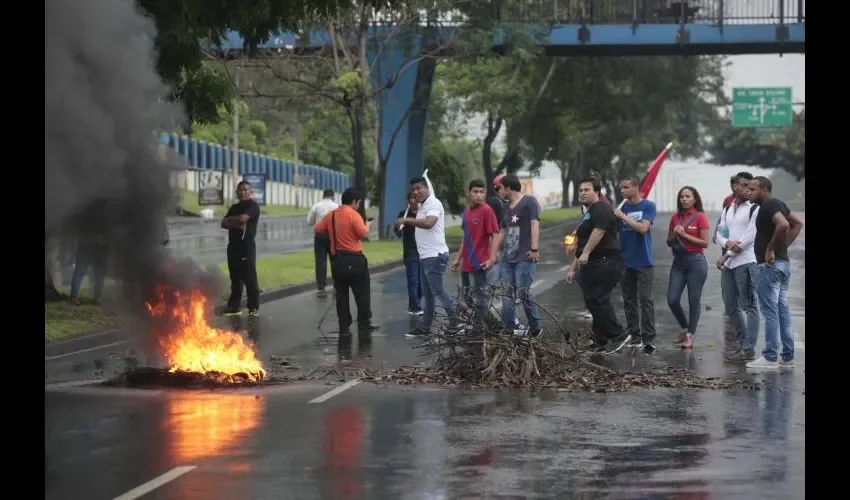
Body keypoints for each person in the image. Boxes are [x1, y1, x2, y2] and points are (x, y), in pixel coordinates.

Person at [566, 176, 630, 353]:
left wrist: (586, 252)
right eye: (580, 190)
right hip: (592, 264)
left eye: (587, 190)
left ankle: (618, 335)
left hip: (606, 261)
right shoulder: (588, 212)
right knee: (592, 300)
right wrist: (573, 266)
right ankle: (600, 339)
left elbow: (599, 231)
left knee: (597, 298)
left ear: (597, 192)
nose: (582, 193)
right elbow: (582, 242)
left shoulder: (601, 207)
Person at [745, 176, 803, 370]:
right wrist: (782, 247)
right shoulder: (776, 204)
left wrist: (771, 249)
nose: (748, 192)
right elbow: (797, 223)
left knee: (770, 311)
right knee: (782, 310)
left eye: (753, 189)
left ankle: (770, 356)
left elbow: (785, 225)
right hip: (781, 264)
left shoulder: (769, 205)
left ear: (764, 190)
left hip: (769, 267)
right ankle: (787, 356)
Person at [397, 176, 460, 336]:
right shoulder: (423, 205)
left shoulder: (433, 203)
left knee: (438, 290)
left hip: (434, 256)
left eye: (419, 188)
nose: (416, 192)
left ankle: (456, 323)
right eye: (414, 189)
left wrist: (407, 220)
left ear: (427, 188)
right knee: (429, 294)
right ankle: (425, 327)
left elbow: (429, 223)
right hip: (425, 256)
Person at [314, 187, 379, 335]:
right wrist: (367, 224)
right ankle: (364, 323)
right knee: (362, 293)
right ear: (354, 201)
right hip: (355, 259)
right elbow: (363, 233)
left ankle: (344, 326)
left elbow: (318, 229)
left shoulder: (331, 215)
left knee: (341, 295)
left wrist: (333, 236)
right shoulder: (353, 215)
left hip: (338, 260)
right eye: (359, 203)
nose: (358, 205)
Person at [715, 172, 760, 363]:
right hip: (730, 265)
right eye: (744, 186)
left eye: (751, 187)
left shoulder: (754, 209)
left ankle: (748, 348)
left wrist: (728, 253)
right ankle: (742, 344)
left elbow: (749, 238)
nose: (748, 190)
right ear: (734, 187)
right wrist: (727, 243)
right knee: (731, 306)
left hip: (746, 262)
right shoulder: (727, 209)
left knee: (749, 306)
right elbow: (719, 234)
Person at [614, 176, 657, 355]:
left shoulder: (648, 206)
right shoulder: (621, 207)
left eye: (625, 187)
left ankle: (649, 338)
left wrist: (622, 217)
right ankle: (634, 335)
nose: (622, 191)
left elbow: (642, 229)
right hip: (625, 261)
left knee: (646, 300)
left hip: (643, 260)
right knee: (629, 300)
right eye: (621, 188)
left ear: (636, 188)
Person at [450, 180, 501, 328]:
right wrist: (457, 259)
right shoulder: (466, 212)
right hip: (466, 264)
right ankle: (487, 323)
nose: (478, 195)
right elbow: (466, 238)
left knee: (480, 298)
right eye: (475, 192)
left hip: (480, 263)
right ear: (469, 192)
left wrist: (492, 258)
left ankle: (480, 328)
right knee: (465, 298)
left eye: (481, 192)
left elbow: (495, 234)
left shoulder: (486, 210)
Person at [666, 186, 710, 349]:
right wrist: (674, 236)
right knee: (672, 299)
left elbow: (705, 243)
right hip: (678, 262)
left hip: (696, 262)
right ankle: (685, 328)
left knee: (694, 300)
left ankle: (690, 335)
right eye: (682, 197)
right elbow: (669, 241)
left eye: (687, 196)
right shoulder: (675, 218)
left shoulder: (700, 217)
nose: (684, 199)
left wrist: (685, 235)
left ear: (694, 199)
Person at [499, 174, 543, 337]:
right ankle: (510, 327)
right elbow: (502, 231)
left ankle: (535, 326)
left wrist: (534, 249)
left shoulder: (529, 201)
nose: (499, 191)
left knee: (523, 293)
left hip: (524, 257)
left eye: (501, 187)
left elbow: (534, 223)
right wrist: (494, 253)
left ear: (508, 187)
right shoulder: (506, 208)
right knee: (506, 294)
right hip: (507, 258)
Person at [220, 180, 261, 316]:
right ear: (237, 192)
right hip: (233, 246)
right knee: (235, 277)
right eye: (240, 190)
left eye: (245, 190)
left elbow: (244, 219)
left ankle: (253, 307)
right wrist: (236, 222)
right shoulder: (234, 207)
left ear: (250, 192)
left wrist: (233, 221)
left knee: (249, 276)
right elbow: (223, 223)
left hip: (246, 246)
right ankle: (234, 306)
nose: (243, 192)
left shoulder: (253, 206)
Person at [488, 174, 523, 330]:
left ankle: (508, 322)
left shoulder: (504, 204)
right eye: (501, 187)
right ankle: (509, 322)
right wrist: (494, 252)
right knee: (503, 289)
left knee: (505, 290)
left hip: (502, 250)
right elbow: (497, 230)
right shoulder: (497, 203)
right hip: (499, 251)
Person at [394, 191, 423, 315]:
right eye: (413, 198)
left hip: (423, 251)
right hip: (410, 251)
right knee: (413, 280)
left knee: (421, 284)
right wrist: (399, 226)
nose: (415, 200)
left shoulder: (424, 214)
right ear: (409, 200)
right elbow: (398, 232)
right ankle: (415, 307)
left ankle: (413, 304)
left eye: (417, 198)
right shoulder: (403, 214)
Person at [307, 189, 339, 297]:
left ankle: (321, 287)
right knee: (335, 260)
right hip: (333, 236)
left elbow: (309, 221)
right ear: (333, 196)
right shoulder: (337, 207)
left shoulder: (316, 206)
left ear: (323, 196)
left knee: (320, 261)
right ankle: (337, 285)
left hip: (320, 235)